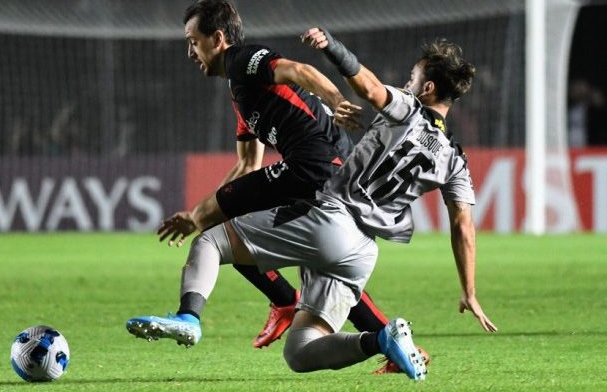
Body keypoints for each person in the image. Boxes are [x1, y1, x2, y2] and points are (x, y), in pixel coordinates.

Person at [128, 27, 497, 381]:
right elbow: (463, 226)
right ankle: (383, 339)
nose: (406, 84)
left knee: (211, 240)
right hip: (363, 252)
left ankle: (189, 318)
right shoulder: (455, 161)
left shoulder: (407, 110)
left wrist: (331, 47)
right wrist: (469, 290)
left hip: (331, 216)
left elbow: (366, 85)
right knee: (300, 353)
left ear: (427, 88)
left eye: (412, 78)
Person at [143, 0, 402, 371]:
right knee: (323, 265)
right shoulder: (242, 95)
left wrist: (336, 101)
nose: (190, 51)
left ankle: (261, 304)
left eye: (193, 41)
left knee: (216, 231)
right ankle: (386, 340)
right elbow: (248, 164)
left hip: (316, 167)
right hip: (327, 179)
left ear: (217, 38)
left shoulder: (241, 60)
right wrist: (201, 211)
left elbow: (297, 70)